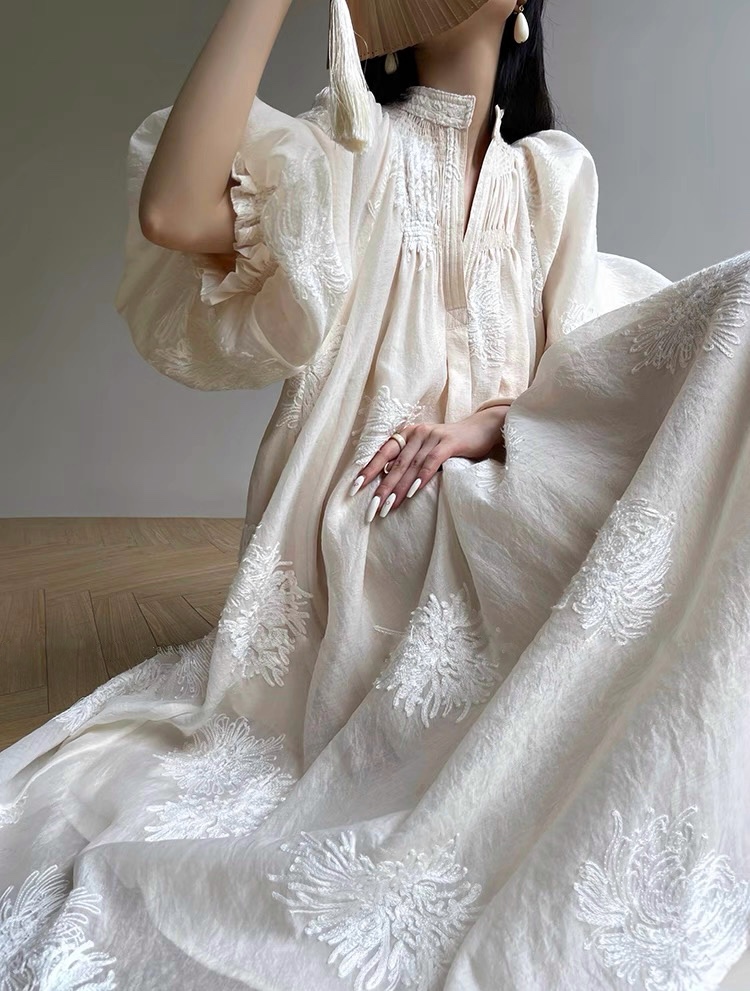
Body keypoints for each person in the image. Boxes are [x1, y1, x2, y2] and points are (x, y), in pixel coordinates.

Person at [1, 0, 749, 987]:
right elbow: (174, 213)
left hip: (513, 482)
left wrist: (495, 421)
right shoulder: (346, 154)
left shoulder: (555, 176)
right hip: (377, 518)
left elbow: (585, 380)